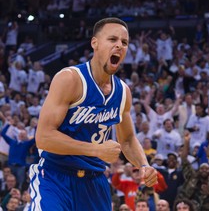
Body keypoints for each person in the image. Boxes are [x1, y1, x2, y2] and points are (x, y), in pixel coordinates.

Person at [29, 17, 158, 211]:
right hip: (56, 177)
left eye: (124, 42)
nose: (119, 46)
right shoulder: (70, 79)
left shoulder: (123, 92)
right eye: (112, 39)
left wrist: (143, 164)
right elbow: (44, 137)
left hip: (94, 182)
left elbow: (128, 139)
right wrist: (95, 150)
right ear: (95, 43)